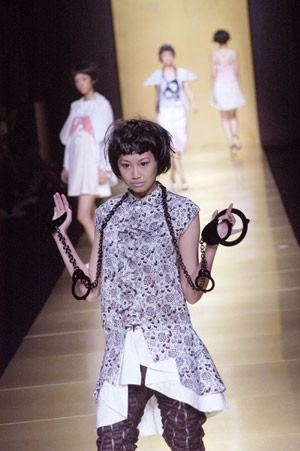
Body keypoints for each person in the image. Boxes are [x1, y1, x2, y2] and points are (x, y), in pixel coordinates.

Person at [51, 119, 239, 450]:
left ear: (159, 161)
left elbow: (192, 292)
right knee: (112, 443)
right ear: (117, 166)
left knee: (184, 441)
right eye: (126, 165)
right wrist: (60, 235)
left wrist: (212, 244)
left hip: (170, 345)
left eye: (143, 162)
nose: (135, 173)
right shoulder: (107, 213)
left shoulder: (181, 211)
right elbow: (90, 288)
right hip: (122, 348)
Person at [59, 62, 117, 244]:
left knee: (83, 216)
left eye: (84, 79)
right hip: (78, 166)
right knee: (91, 215)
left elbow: (108, 138)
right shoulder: (75, 106)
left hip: (93, 165)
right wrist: (66, 166)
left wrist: (104, 168)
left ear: (92, 79)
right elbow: (70, 141)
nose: (80, 84)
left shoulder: (102, 104)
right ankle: (101, 258)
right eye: (77, 80)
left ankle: (101, 260)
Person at [144, 44, 197, 192]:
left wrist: (193, 104)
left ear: (173, 56)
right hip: (165, 113)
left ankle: (173, 176)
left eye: (169, 55)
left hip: (179, 111)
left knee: (178, 146)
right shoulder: (158, 75)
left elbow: (188, 89)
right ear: (160, 57)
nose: (167, 58)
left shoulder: (181, 73)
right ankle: (182, 177)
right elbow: (157, 95)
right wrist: (156, 114)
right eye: (164, 55)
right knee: (172, 145)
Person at [210, 30, 245, 155]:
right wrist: (239, 89)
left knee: (224, 116)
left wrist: (212, 92)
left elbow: (213, 75)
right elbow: (236, 72)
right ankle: (235, 136)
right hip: (232, 85)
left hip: (220, 86)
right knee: (233, 115)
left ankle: (231, 142)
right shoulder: (233, 53)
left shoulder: (214, 55)